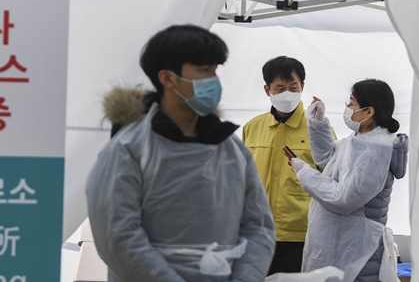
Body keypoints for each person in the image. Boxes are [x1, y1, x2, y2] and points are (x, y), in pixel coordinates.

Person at [86, 24, 276, 282]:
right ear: (167, 78)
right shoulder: (129, 149)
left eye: (215, 70)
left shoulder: (232, 150)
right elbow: (118, 235)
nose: (213, 80)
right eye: (202, 70)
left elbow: (259, 226)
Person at [285, 79, 409, 282]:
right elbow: (329, 158)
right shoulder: (359, 141)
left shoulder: (375, 149)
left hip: (356, 251)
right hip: (344, 245)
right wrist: (318, 122)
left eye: (351, 104)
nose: (347, 109)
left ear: (369, 112)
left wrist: (305, 173)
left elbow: (345, 198)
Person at [242, 56, 332, 275]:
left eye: (293, 87)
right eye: (280, 88)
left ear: (302, 86)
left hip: (301, 233)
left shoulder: (318, 129)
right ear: (267, 90)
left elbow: (331, 183)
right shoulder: (252, 128)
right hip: (257, 231)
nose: (287, 94)